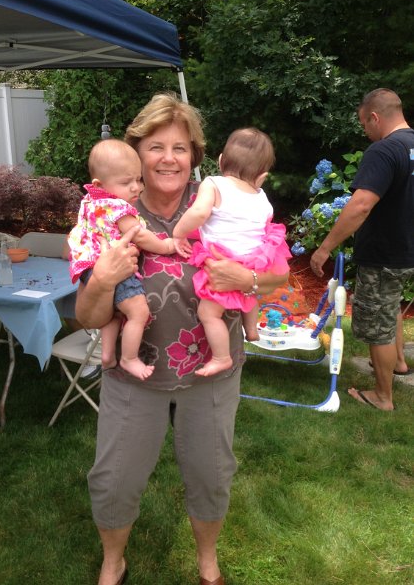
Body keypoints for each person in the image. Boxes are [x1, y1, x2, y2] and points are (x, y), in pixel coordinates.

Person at [75, 92, 287, 585]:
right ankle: (113, 561)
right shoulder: (109, 210)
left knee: (211, 476)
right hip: (135, 377)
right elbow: (87, 317)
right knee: (114, 479)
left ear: (195, 154)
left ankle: (207, 560)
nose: (169, 158)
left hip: (210, 375)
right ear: (136, 154)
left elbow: (277, 274)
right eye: (155, 147)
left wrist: (248, 280)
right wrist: (103, 280)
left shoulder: (222, 196)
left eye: (180, 147)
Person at [310, 88, 414, 411]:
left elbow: (361, 205)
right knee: (390, 306)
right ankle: (398, 363)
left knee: (376, 325)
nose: (364, 131)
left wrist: (325, 248)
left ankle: (382, 396)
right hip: (407, 251)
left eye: (364, 124)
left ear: (375, 117)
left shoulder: (384, 150)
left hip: (384, 254)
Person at [68, 138, 190, 380]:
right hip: (113, 267)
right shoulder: (117, 207)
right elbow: (140, 235)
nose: (136, 188)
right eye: (126, 182)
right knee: (138, 312)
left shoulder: (91, 202)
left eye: (138, 179)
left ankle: (107, 355)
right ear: (100, 184)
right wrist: (166, 245)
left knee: (115, 313)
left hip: (89, 264)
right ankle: (129, 358)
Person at [173, 127, 291, 376]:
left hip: (222, 260)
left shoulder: (213, 184)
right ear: (262, 177)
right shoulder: (262, 198)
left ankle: (221, 357)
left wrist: (179, 233)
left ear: (220, 161)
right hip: (254, 260)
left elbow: (199, 212)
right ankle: (252, 329)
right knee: (250, 289)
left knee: (208, 313)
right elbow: (262, 226)